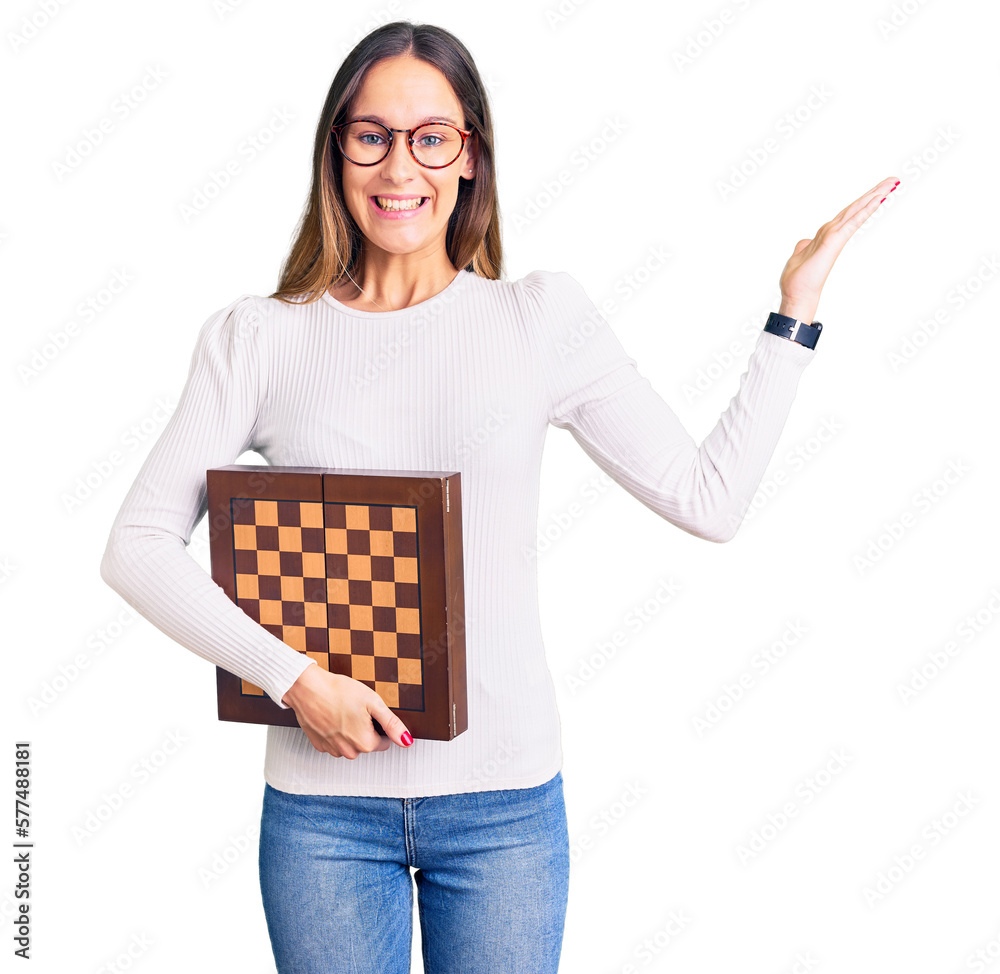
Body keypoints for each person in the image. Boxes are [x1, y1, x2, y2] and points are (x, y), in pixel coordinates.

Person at [99, 19, 899, 974]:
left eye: (432, 137)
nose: (402, 168)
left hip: (504, 812)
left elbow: (709, 499)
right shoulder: (258, 338)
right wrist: (296, 681)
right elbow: (137, 545)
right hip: (322, 817)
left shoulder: (537, 320)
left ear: (470, 155)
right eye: (373, 135)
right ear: (336, 150)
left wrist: (794, 313)